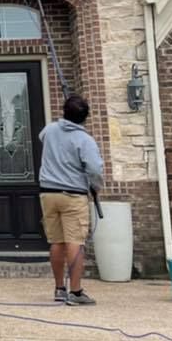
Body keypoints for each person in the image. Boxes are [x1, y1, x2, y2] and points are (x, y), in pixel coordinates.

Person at [38, 94, 104, 306]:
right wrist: (96, 186)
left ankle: (59, 288)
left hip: (48, 193)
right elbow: (94, 168)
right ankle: (75, 292)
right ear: (85, 118)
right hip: (73, 195)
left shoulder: (49, 130)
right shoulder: (85, 140)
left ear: (64, 112)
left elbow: (42, 137)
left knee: (56, 241)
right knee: (75, 242)